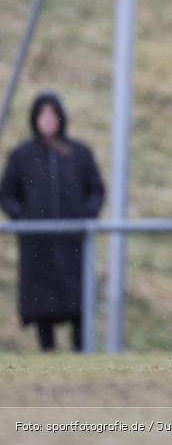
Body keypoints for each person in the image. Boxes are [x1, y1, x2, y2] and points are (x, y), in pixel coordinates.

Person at [0, 92, 105, 352]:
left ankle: (81, 350)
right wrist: (22, 219)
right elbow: (7, 193)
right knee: (41, 303)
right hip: (38, 246)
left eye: (52, 114)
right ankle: (47, 351)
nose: (48, 121)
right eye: (42, 115)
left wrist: (86, 216)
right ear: (34, 119)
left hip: (73, 244)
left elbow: (97, 189)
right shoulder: (22, 156)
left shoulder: (79, 154)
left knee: (77, 300)